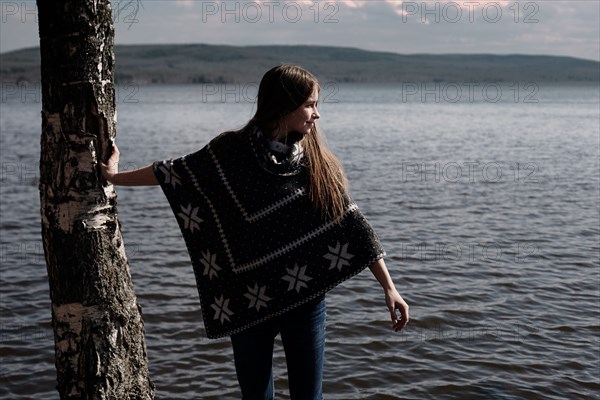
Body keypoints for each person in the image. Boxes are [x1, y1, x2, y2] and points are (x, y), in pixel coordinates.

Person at [101, 64, 409, 400]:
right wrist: (116, 178)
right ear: (282, 105)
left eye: (317, 104)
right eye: (309, 105)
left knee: (309, 396)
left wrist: (389, 288)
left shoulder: (316, 162)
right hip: (248, 300)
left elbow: (354, 225)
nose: (317, 115)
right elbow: (173, 173)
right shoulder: (229, 152)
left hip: (304, 299)